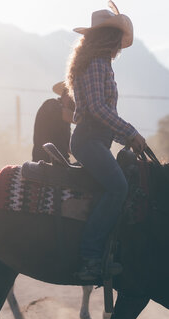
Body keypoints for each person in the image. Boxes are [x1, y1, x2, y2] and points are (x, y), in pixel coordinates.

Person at [66, 4, 146, 280]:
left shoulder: (96, 63)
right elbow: (99, 110)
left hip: (95, 139)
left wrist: (127, 137)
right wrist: (131, 133)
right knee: (118, 187)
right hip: (89, 140)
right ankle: (90, 257)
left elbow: (104, 113)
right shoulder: (97, 63)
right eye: (117, 40)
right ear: (109, 38)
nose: (119, 47)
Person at [32, 82, 75, 162]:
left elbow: (71, 146)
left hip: (60, 164)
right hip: (44, 164)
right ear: (67, 95)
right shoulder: (51, 104)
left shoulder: (66, 123)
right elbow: (69, 115)